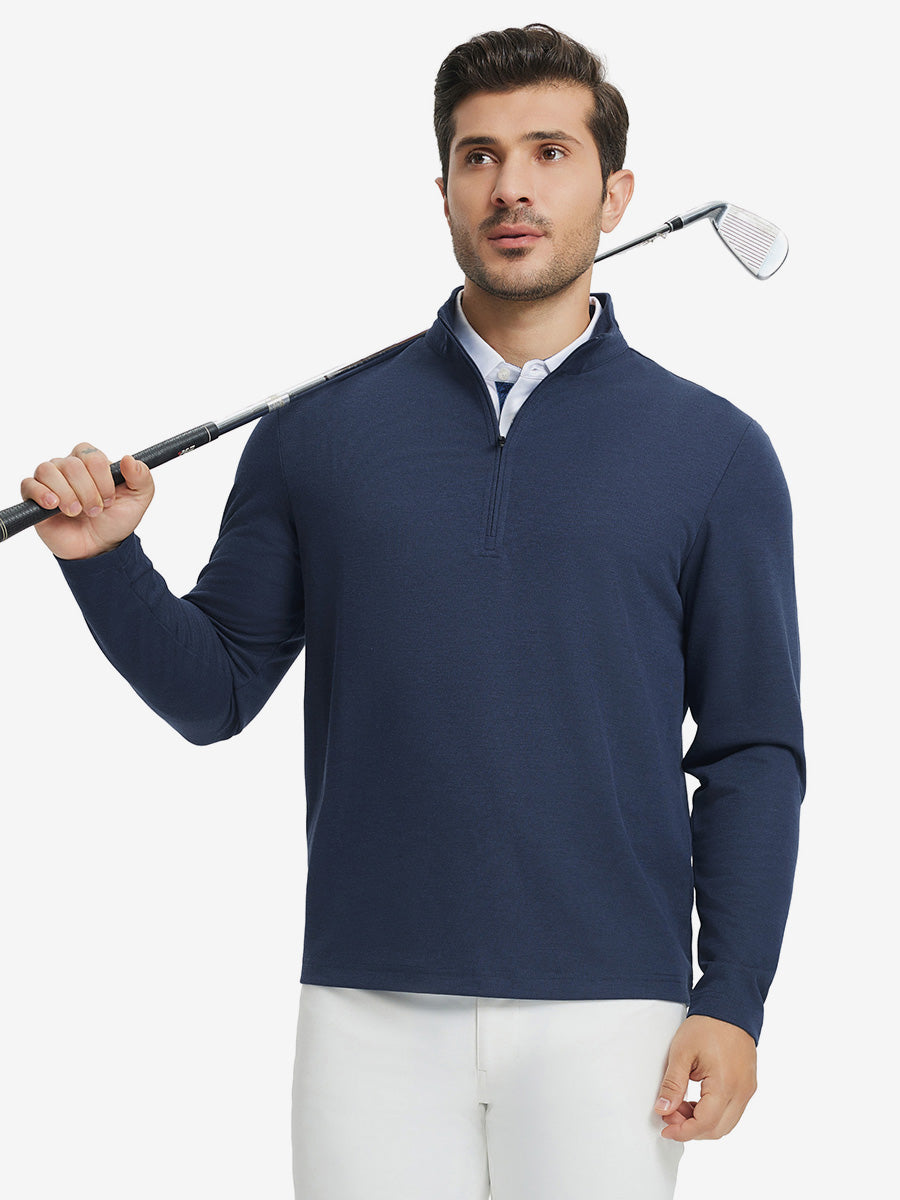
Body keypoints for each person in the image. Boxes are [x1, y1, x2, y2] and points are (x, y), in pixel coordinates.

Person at [18, 22, 805, 1200]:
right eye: (480, 157)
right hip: (365, 1009)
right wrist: (104, 561)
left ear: (615, 193)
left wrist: (732, 998)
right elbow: (213, 692)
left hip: (614, 1015)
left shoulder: (715, 452)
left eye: (550, 152)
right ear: (443, 192)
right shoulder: (317, 434)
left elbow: (751, 750)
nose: (512, 187)